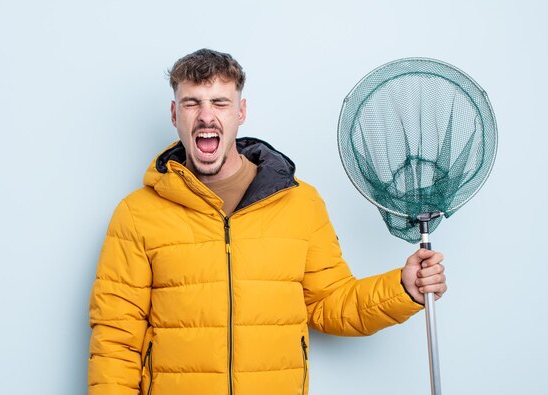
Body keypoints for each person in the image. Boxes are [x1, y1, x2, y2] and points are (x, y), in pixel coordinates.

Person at [88, 48, 446, 395]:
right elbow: (115, 337)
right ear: (174, 113)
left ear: (240, 112)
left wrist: (402, 289)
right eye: (192, 102)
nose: (206, 116)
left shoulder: (299, 203)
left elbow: (330, 304)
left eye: (220, 103)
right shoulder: (137, 214)